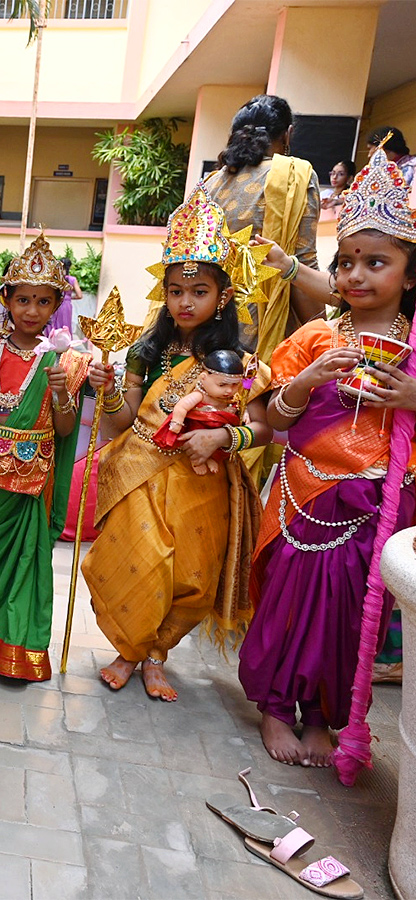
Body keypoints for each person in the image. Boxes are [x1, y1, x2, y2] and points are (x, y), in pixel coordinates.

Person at [240, 146, 416, 767]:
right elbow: (270, 419)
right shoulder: (317, 335)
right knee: (288, 603)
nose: (355, 275)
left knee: (349, 619)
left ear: (410, 273)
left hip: (378, 505)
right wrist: (307, 379)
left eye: (376, 262)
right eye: (344, 262)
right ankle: (274, 706)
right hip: (304, 493)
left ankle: (322, 715)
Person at [81, 183, 274, 702]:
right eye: (175, 291)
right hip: (141, 469)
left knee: (190, 574)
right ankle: (129, 649)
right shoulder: (148, 352)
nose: (185, 301)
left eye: (199, 291)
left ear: (223, 296)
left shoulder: (236, 358)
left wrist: (221, 436)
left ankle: (156, 656)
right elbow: (121, 425)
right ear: (162, 293)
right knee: (140, 561)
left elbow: (262, 426)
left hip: (202, 483)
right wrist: (104, 392)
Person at [0, 236, 89, 680]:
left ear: (56, 305)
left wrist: (58, 393)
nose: (31, 310)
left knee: (27, 564)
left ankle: (17, 648)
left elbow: (67, 430)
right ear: (7, 301)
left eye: (43, 301)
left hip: (35, 479)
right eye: (23, 300)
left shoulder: (64, 361)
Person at [203, 95, 322, 356]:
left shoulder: (209, 182)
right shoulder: (295, 175)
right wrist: (319, 336)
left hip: (206, 316)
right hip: (263, 322)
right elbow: (303, 261)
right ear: (287, 134)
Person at [154, 349, 246, 475]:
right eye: (222, 385)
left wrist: (245, 414)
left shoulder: (232, 398)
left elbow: (240, 407)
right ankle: (197, 461)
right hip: (198, 427)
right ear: (203, 378)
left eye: (235, 385)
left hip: (220, 434)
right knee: (194, 444)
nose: (229, 390)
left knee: (222, 449)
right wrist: (177, 422)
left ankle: (212, 459)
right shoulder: (200, 396)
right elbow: (181, 407)